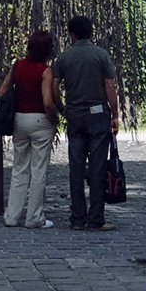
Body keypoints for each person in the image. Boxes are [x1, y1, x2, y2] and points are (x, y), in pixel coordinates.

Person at [53, 15, 120, 232]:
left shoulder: (63, 58)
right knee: (98, 168)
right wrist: (115, 114)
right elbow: (109, 86)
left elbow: (54, 87)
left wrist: (63, 108)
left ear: (71, 34)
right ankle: (96, 218)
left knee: (76, 167)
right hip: (98, 115)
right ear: (91, 32)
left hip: (75, 116)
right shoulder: (101, 55)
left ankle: (77, 218)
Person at [0, 29, 59, 229]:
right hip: (40, 120)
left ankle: (12, 216)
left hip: (19, 120)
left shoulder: (18, 66)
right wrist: (54, 120)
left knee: (19, 169)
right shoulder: (45, 71)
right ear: (48, 50)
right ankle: (34, 217)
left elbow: (2, 91)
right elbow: (48, 102)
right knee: (38, 170)